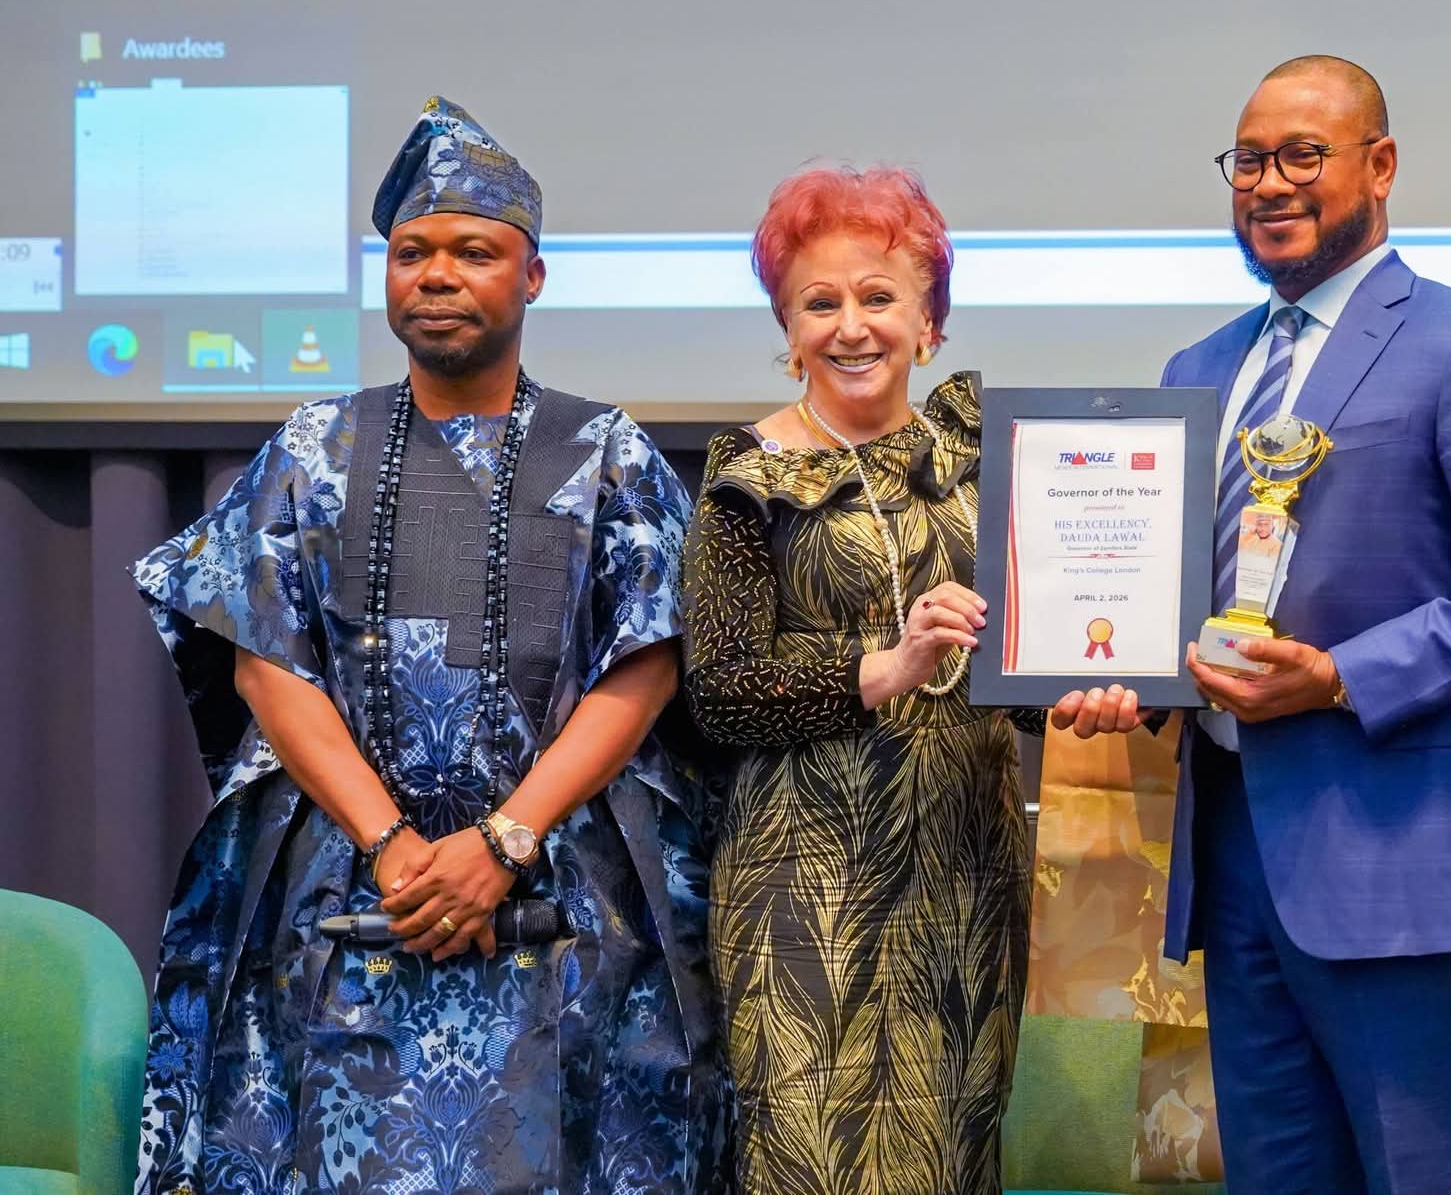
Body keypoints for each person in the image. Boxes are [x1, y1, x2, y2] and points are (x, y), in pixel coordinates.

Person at [131, 97, 730, 1193]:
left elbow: (648, 663)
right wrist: (397, 847)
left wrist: (502, 843)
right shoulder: (315, 446)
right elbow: (264, 658)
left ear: (532, 276)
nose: (437, 275)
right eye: (412, 254)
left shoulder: (604, 451)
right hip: (357, 907)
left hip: (566, 917)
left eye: (473, 252)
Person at [1067, 56, 1451, 1191]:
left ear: (1381, 164)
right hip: (1234, 850)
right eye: (1249, 161)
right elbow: (1171, 593)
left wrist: (1340, 675)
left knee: (1422, 1175)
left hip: (1402, 850)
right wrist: (1119, 667)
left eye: (1303, 155)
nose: (1270, 183)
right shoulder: (1198, 367)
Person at [681, 165, 1128, 1193]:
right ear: (787, 328)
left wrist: (1088, 693)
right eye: (819, 303)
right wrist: (882, 669)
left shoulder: (985, 462)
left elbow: (1019, 664)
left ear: (929, 322)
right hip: (803, 889)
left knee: (952, 1157)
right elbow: (720, 693)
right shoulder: (747, 476)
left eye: (878, 297)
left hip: (963, 874)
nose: (851, 326)